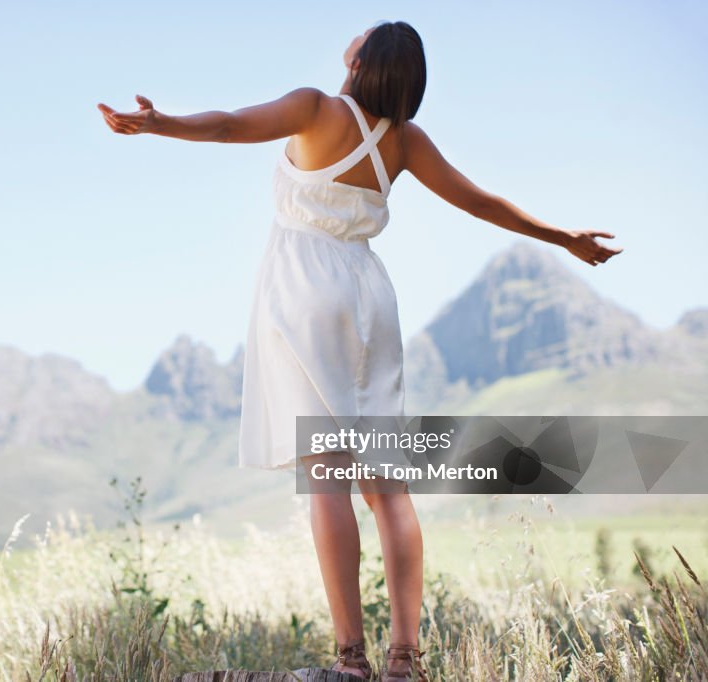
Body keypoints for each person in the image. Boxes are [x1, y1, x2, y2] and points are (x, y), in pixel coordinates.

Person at [97, 20, 622, 680]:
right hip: (369, 294)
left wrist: (159, 124)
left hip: (305, 291)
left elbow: (230, 125)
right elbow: (479, 202)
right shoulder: (403, 141)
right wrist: (564, 235)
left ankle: (351, 658)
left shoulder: (315, 107)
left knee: (327, 480)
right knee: (388, 487)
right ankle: (407, 655)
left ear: (363, 57)